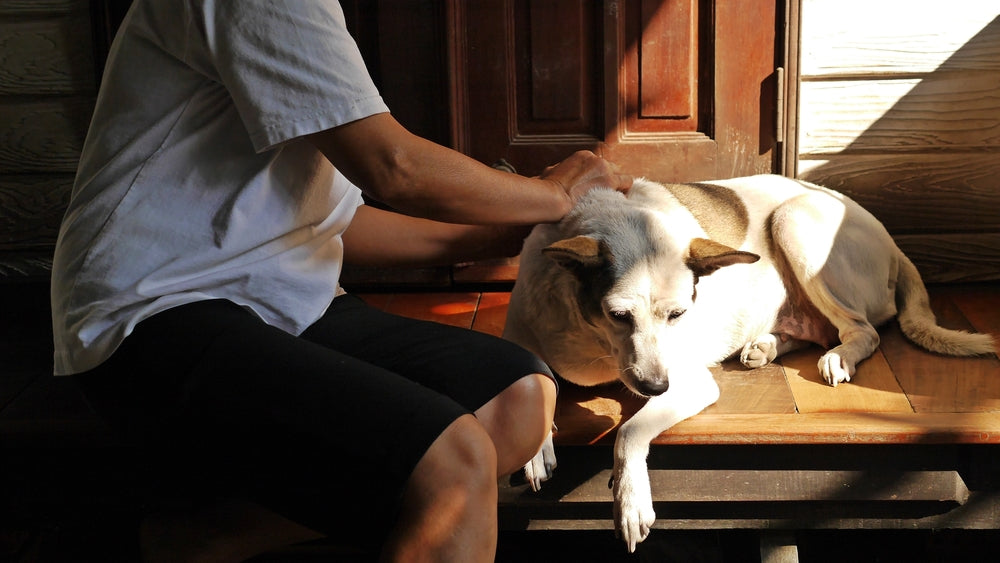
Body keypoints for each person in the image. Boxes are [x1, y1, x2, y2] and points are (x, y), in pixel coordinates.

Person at [51, 1, 631, 561]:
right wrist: (551, 193)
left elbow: (335, 223)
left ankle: (214, 536)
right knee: (451, 465)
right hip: (154, 311)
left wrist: (501, 238)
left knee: (517, 400)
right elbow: (393, 168)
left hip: (283, 298)